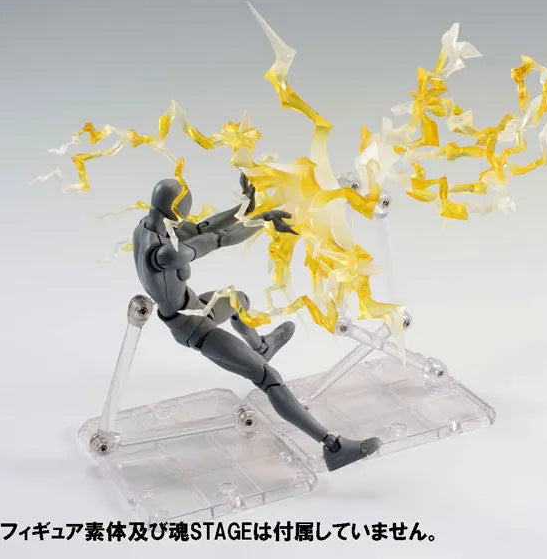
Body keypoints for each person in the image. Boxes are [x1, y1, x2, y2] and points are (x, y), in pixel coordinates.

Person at [131, 176, 381, 471]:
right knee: (268, 378)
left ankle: (261, 347)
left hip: (196, 307)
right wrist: (263, 221)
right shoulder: (166, 253)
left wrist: (245, 208)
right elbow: (218, 238)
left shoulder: (147, 227)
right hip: (195, 330)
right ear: (176, 209)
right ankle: (333, 447)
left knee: (238, 300)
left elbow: (201, 228)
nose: (186, 217)